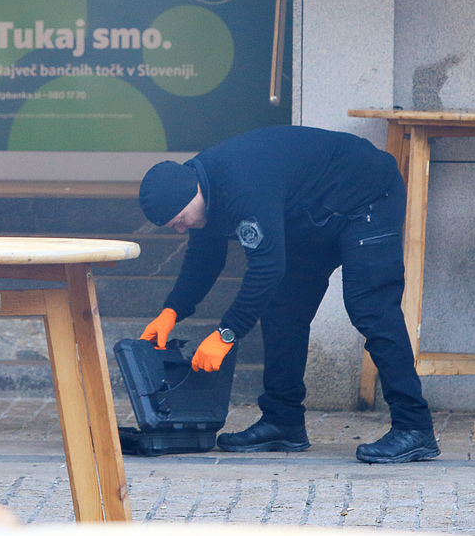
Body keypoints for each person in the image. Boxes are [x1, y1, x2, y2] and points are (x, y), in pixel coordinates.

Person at [137, 125, 438, 464]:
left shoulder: (240, 184)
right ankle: (283, 421)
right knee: (283, 309)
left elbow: (267, 268)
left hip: (366, 195)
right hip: (314, 213)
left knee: (371, 306)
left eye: (178, 220)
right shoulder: (201, 191)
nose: (180, 229)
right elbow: (204, 258)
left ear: (190, 195)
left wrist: (226, 334)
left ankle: (414, 427)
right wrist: (172, 311)